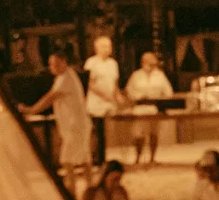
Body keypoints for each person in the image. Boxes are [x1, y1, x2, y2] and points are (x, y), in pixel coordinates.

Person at [26, 52, 94, 189]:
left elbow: (50, 98)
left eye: (56, 64)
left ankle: (72, 188)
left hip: (76, 126)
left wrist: (31, 110)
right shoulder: (62, 77)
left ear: (64, 62)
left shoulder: (66, 78)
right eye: (51, 64)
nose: (53, 67)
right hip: (77, 125)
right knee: (84, 157)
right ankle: (91, 186)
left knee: (67, 159)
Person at [124, 50, 174, 167]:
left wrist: (161, 99)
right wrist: (139, 96)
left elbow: (168, 92)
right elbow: (129, 91)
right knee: (138, 135)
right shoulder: (136, 75)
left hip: (154, 108)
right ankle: (138, 157)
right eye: (148, 62)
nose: (151, 64)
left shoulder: (160, 75)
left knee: (154, 134)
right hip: (140, 108)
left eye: (153, 62)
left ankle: (152, 158)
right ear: (143, 62)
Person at [82, 35, 122, 165]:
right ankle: (96, 159)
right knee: (96, 132)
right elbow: (90, 84)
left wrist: (117, 96)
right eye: (104, 46)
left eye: (109, 46)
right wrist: (104, 95)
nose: (107, 49)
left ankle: (105, 158)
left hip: (109, 103)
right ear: (96, 48)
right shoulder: (91, 63)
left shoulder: (113, 64)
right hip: (96, 103)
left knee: (106, 133)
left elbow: (115, 83)